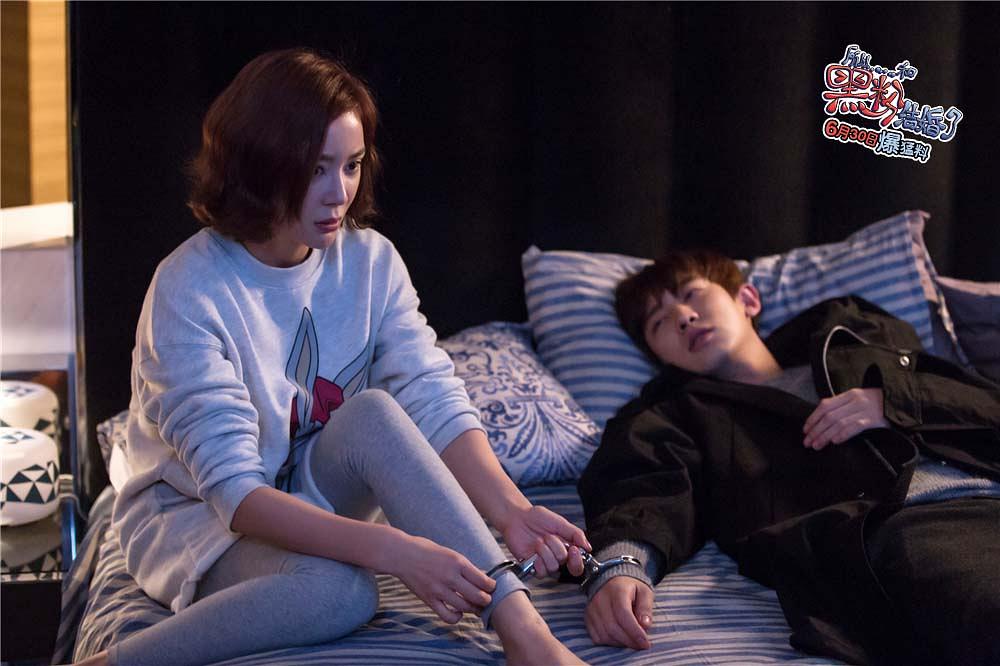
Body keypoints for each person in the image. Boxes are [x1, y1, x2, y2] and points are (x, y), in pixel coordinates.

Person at [74, 48, 589, 666]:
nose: (339, 192)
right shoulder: (190, 289)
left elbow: (431, 397)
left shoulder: (370, 262)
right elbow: (237, 495)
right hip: (199, 521)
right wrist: (394, 550)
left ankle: (527, 636)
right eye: (315, 169)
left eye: (351, 165)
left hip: (308, 487)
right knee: (341, 591)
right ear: (259, 164)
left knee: (374, 412)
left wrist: (514, 513)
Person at [577, 249, 1000, 665]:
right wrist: (620, 565)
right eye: (658, 322)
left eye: (691, 294)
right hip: (910, 525)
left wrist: (893, 402)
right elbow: (645, 487)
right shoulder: (678, 416)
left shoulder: (851, 335)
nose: (682, 317)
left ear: (747, 299)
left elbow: (982, 402)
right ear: (660, 357)